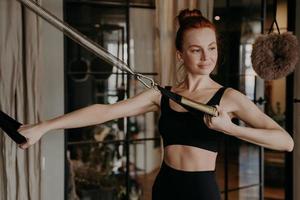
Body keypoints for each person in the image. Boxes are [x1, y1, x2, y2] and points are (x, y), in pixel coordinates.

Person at [18, 8, 294, 200]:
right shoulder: (162, 95)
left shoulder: (229, 97)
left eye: (211, 48)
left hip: (201, 192)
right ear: (180, 54)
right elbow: (105, 111)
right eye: (196, 49)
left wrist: (232, 129)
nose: (206, 57)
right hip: (165, 187)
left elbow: (285, 141)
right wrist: (44, 127)